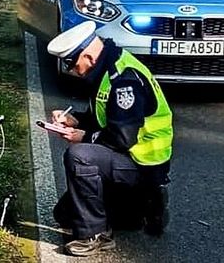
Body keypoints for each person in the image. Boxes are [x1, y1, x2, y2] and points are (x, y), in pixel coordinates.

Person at [47, 21, 173, 257]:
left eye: (72, 63)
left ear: (89, 57)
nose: (72, 70)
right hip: (126, 161)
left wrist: (83, 136)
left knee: (80, 156)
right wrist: (76, 120)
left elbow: (122, 138)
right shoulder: (108, 68)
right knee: (64, 216)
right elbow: (108, 118)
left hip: (142, 164)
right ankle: (144, 206)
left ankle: (96, 235)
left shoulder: (124, 80)